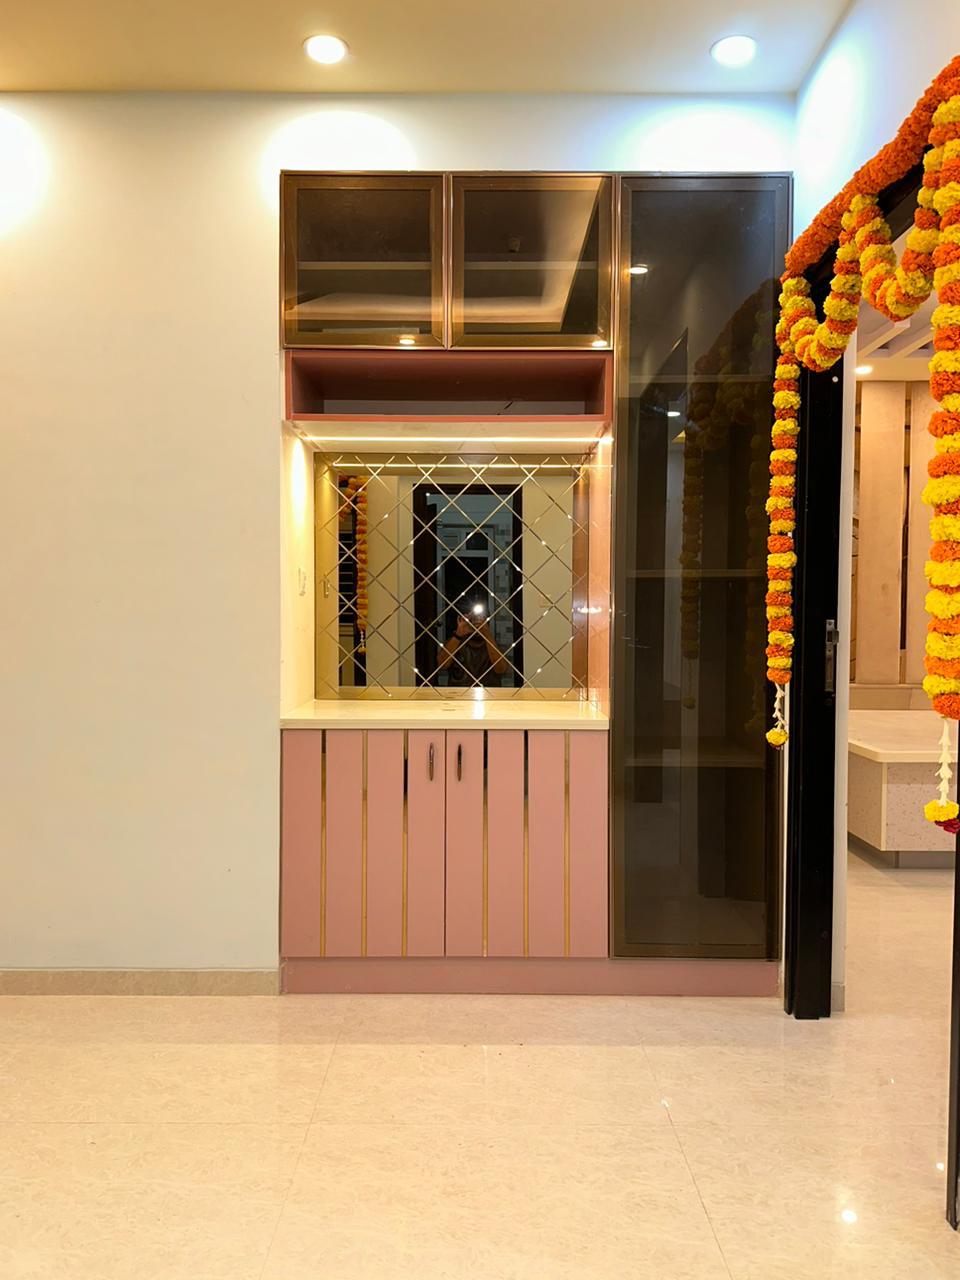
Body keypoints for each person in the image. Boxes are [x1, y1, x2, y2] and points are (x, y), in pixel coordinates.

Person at [438, 608, 509, 687]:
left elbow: (501, 669)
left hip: (487, 692)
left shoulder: (492, 645)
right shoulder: (455, 643)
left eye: (480, 620)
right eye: (472, 620)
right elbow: (442, 665)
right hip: (460, 692)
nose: (475, 624)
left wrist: (487, 635)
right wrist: (458, 634)